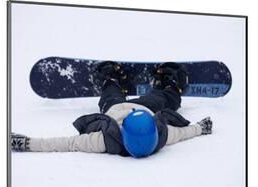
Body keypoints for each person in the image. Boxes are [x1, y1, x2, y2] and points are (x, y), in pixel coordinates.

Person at [11, 61, 212, 158]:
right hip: (146, 107)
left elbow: (67, 143)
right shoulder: (161, 135)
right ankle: (170, 87)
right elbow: (184, 132)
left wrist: (27, 143)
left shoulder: (106, 140)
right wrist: (201, 128)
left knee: (111, 96)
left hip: (114, 109)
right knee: (161, 98)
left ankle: (111, 81)